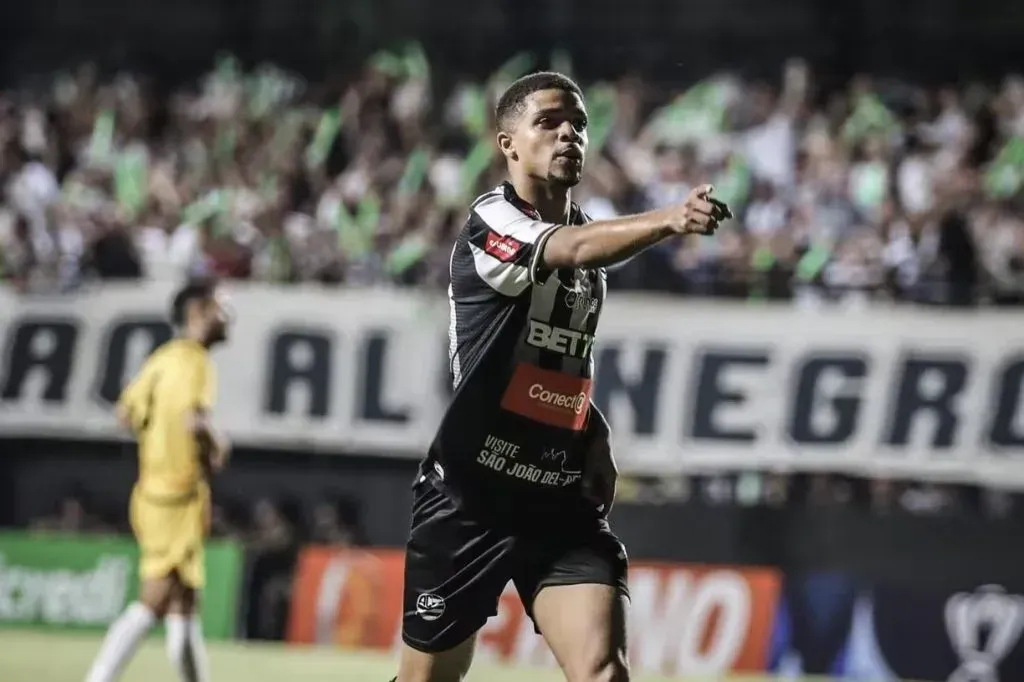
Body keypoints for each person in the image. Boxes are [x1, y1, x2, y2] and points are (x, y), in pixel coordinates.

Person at [392, 72, 730, 682]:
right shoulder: (492, 224)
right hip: (472, 498)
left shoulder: (586, 242)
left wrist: (590, 428)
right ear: (508, 144)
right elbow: (569, 250)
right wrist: (671, 218)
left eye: (577, 123)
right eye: (548, 122)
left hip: (555, 494)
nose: (569, 132)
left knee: (602, 672)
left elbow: (560, 354)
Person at [84, 279, 232, 682]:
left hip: (158, 492)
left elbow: (124, 413)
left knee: (185, 605)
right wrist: (217, 446)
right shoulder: (196, 361)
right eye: (221, 307)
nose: (228, 317)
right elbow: (193, 419)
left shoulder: (161, 359)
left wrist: (158, 441)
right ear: (198, 312)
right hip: (173, 497)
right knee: (155, 600)